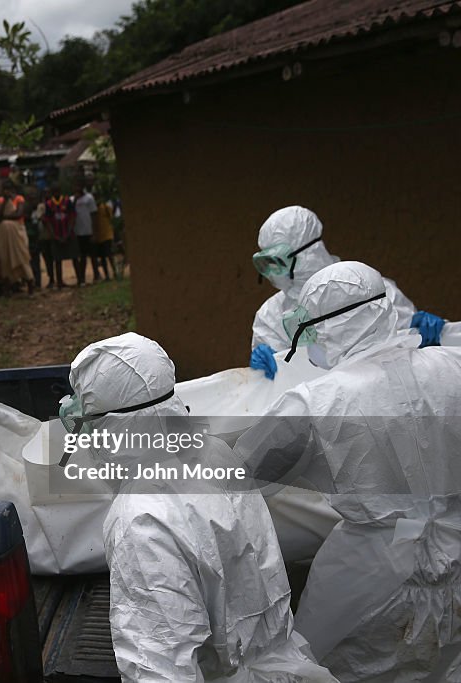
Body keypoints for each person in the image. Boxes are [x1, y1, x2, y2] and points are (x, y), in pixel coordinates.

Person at [235, 261, 461, 682]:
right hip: (456, 547)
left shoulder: (313, 402)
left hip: (369, 574)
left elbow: (242, 475)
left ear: (334, 327)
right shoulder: (453, 367)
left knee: (331, 664)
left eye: (313, 331)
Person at [65, 333, 336, 682]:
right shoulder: (213, 453)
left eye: (82, 405)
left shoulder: (141, 521)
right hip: (282, 664)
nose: (72, 413)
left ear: (111, 427)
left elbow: (159, 668)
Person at [249, 206, 442, 379]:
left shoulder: (372, 291)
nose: (272, 273)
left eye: (277, 261)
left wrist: (427, 334)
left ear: (308, 253)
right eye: (265, 264)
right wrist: (262, 371)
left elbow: (408, 356)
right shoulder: (270, 316)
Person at [0, 182, 34, 295]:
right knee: (5, 258)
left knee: (21, 257)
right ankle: (9, 289)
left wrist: (4, 217)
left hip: (17, 232)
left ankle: (30, 286)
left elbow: (18, 214)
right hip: (3, 234)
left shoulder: (19, 198)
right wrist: (4, 202)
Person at [44, 187, 78, 289]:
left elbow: (72, 217)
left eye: (57, 191)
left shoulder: (67, 201)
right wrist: (54, 235)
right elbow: (48, 221)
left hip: (68, 234)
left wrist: (68, 232)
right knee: (57, 259)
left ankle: (80, 279)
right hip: (56, 235)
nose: (56, 193)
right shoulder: (49, 204)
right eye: (54, 191)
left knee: (74, 256)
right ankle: (59, 282)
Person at [72, 185, 99, 285]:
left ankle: (96, 275)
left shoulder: (89, 198)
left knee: (93, 255)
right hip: (78, 232)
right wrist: (75, 200)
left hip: (89, 230)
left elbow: (94, 214)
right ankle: (81, 277)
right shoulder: (72, 200)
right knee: (82, 256)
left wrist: (94, 232)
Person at [92, 195, 117, 281]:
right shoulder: (93, 210)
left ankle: (115, 272)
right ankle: (107, 275)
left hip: (107, 234)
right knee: (102, 257)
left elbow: (111, 218)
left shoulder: (105, 207)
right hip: (98, 236)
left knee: (109, 254)